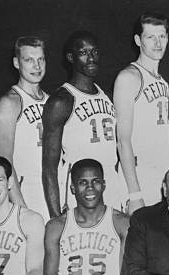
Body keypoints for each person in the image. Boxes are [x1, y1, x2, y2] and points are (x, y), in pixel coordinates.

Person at [42, 31, 126, 218]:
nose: (91, 58)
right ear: (71, 57)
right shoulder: (61, 100)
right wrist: (56, 216)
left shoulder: (108, 96)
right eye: (83, 53)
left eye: (94, 52)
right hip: (79, 189)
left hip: (109, 184)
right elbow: (49, 166)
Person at [114, 12, 169, 213]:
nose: (158, 43)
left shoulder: (162, 82)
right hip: (140, 178)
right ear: (138, 40)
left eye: (162, 36)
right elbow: (123, 141)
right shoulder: (129, 77)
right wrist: (135, 194)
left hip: (163, 175)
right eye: (150, 37)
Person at [0, 36, 50, 221]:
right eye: (29, 60)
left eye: (40, 59)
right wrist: (21, 211)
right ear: (16, 63)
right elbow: (4, 163)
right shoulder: (9, 103)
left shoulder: (52, 101)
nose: (37, 66)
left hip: (56, 189)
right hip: (29, 191)